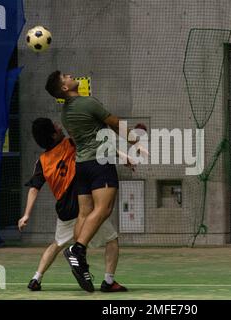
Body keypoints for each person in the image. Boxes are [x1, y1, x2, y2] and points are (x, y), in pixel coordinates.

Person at [45, 71, 145, 292]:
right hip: (100, 165)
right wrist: (135, 142)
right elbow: (115, 124)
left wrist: (120, 155)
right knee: (104, 209)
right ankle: (77, 250)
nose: (71, 75)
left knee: (84, 213)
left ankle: (80, 262)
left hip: (83, 166)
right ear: (64, 88)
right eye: (66, 76)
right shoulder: (87, 103)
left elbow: (96, 136)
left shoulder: (65, 114)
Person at [18, 117, 127, 292]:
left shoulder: (42, 161)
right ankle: (108, 281)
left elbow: (34, 188)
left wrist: (26, 215)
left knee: (56, 244)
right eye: (56, 126)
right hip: (84, 205)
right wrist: (121, 155)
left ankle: (36, 278)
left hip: (64, 210)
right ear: (54, 135)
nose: (59, 126)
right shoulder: (71, 144)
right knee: (112, 240)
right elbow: (95, 148)